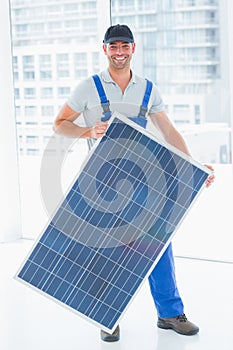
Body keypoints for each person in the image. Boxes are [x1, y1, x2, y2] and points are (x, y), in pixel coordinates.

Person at [53, 24, 215, 342]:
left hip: (143, 181)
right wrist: (88, 132)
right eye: (113, 46)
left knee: (157, 244)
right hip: (101, 184)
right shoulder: (88, 88)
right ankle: (106, 316)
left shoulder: (148, 89)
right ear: (105, 50)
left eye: (124, 45)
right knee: (108, 249)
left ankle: (169, 314)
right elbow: (60, 125)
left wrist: (195, 167)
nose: (119, 51)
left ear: (133, 48)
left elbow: (168, 132)